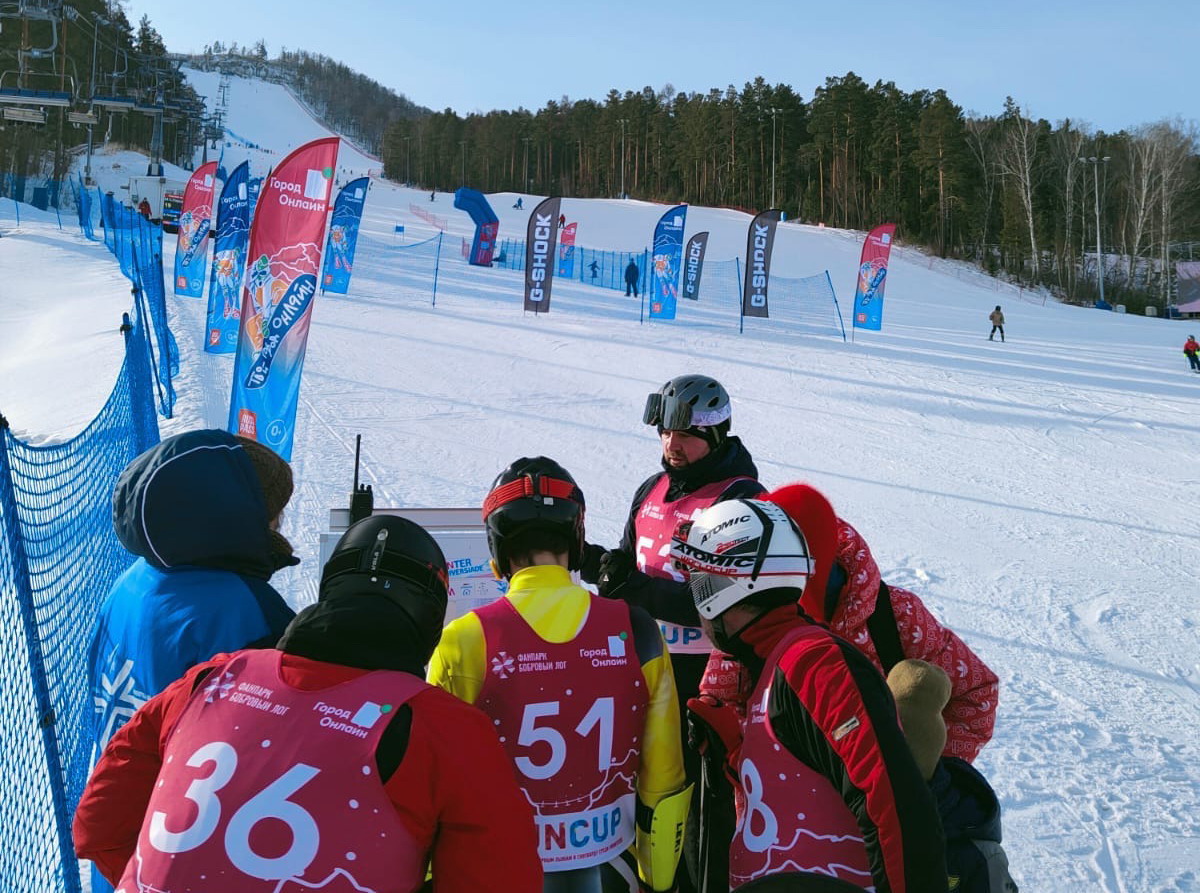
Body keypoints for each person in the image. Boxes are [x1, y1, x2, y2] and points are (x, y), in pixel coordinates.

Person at [74, 514, 543, 892]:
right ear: (428, 618)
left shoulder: (209, 680)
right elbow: (501, 878)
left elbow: (97, 826)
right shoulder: (444, 729)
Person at [429, 457, 690, 893]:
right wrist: (658, 879)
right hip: (612, 869)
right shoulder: (636, 629)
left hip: (501, 870)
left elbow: (435, 779)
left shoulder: (465, 639)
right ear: (576, 537)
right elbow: (664, 775)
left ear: (497, 548)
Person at [674, 492, 950, 892]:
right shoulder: (771, 661)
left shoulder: (814, 665)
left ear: (730, 587)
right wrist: (735, 754)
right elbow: (801, 791)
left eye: (702, 585)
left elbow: (895, 806)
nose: (696, 605)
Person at [83, 430, 299, 891]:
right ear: (236, 516)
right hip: (181, 851)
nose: (278, 524)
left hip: (119, 831)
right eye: (271, 512)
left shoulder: (134, 579)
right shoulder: (243, 610)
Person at [580, 374, 765, 891]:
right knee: (645, 794)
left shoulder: (741, 499)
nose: (671, 445)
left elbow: (730, 604)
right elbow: (631, 568)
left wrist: (636, 589)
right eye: (664, 433)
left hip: (707, 679)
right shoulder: (651, 489)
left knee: (701, 811)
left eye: (684, 435)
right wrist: (601, 567)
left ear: (715, 434)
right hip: (645, 667)